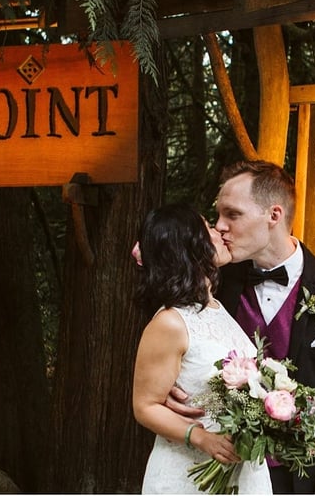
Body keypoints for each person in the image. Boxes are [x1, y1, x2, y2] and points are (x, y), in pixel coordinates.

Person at [170, 160, 315, 493]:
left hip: (300, 477)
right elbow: (171, 337)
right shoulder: (214, 282)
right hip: (222, 467)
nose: (220, 226)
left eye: (233, 214)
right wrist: (166, 386)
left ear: (274, 215)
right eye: (218, 215)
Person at [131, 203, 273, 495]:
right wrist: (200, 437)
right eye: (208, 228)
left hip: (240, 471)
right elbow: (145, 406)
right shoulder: (170, 322)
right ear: (188, 246)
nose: (219, 231)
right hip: (189, 474)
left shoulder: (217, 308)